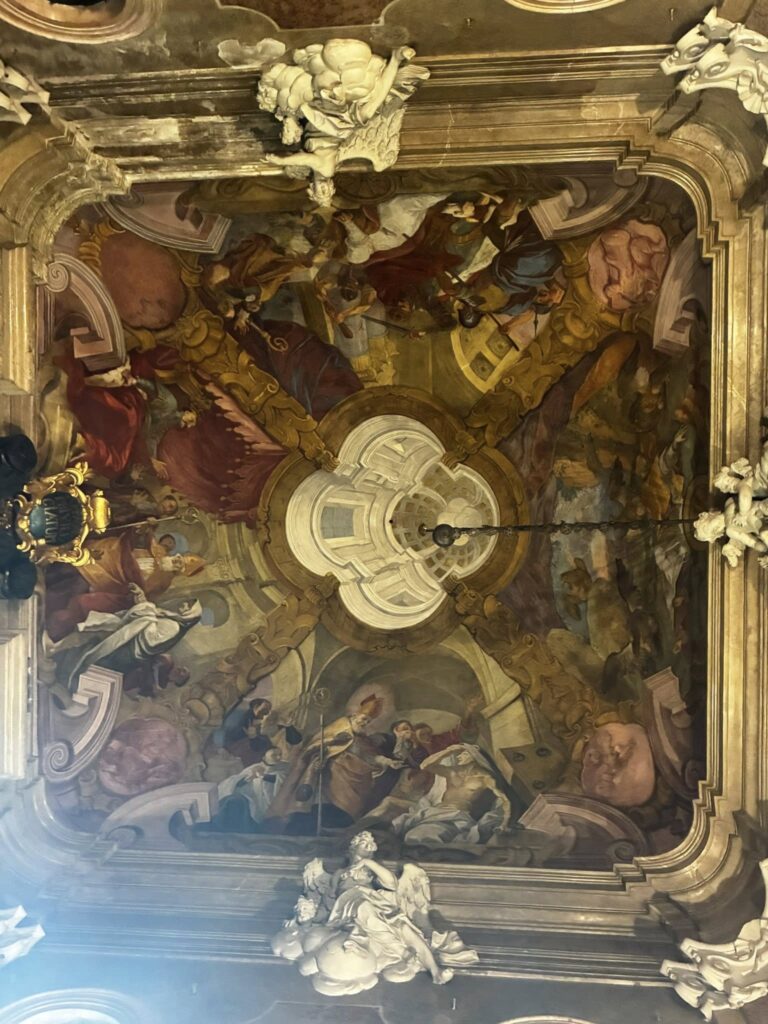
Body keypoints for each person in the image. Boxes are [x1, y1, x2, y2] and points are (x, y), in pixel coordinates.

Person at [47, 589, 202, 696]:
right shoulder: (170, 618)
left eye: (188, 606)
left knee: (92, 662)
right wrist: (146, 607)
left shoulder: (173, 626)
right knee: (87, 651)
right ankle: (56, 663)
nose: (183, 605)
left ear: (190, 614)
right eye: (186, 602)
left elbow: (149, 641)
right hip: (125, 642)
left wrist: (147, 609)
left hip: (125, 651)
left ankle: (61, 679)